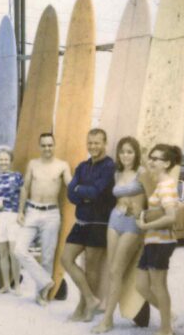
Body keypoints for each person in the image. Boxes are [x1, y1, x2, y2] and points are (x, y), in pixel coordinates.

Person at [92, 136, 146, 333]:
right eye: (122, 151)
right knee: (112, 270)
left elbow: (152, 199)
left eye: (130, 151)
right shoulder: (117, 173)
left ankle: (107, 319)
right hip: (114, 219)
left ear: (136, 153)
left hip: (132, 223)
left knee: (117, 270)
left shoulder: (142, 172)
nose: (125, 155)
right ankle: (108, 318)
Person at [64, 128, 116, 322]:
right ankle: (90, 299)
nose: (93, 146)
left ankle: (83, 307)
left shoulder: (109, 166)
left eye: (97, 142)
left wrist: (81, 191)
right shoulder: (82, 166)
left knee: (91, 268)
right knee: (66, 259)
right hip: (82, 221)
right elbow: (70, 193)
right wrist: (83, 193)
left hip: (99, 222)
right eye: (90, 142)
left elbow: (96, 192)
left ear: (104, 143)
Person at [14, 133, 72, 306]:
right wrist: (20, 211)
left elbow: (70, 183)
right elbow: (25, 187)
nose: (47, 148)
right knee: (19, 249)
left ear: (54, 145)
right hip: (32, 210)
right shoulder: (33, 164)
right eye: (44, 145)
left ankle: (41, 294)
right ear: (40, 146)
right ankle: (45, 281)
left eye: (50, 145)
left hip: (52, 213)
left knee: (47, 256)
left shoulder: (62, 165)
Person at [135, 143, 182, 335]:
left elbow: (171, 217)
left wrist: (146, 225)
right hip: (152, 241)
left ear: (167, 163)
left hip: (161, 242)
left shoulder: (167, 186)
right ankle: (168, 315)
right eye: (150, 157)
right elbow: (160, 211)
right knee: (141, 285)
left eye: (156, 159)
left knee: (159, 286)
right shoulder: (160, 185)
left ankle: (165, 329)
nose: (151, 161)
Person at [0, 145, 23, 295]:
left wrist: (21, 212)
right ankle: (6, 285)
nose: (3, 162)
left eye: (6, 159)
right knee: (2, 253)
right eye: (1, 159)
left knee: (14, 252)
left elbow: (23, 196)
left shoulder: (17, 176)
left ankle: (17, 286)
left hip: (13, 216)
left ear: (10, 160)